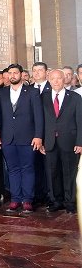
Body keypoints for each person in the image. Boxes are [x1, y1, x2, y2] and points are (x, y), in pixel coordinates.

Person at [0, 64, 44, 212]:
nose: (12, 75)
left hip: (27, 137)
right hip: (7, 138)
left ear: (21, 74)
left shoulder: (32, 92)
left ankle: (27, 200)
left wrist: (38, 136)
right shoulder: (1, 93)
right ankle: (15, 199)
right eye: (10, 73)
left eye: (15, 73)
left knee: (28, 168)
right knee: (12, 169)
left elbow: (39, 116)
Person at [41, 69, 82, 214]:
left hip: (70, 141)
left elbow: (80, 121)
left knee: (69, 172)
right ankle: (55, 201)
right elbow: (40, 121)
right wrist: (41, 140)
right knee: (52, 172)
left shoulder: (75, 97)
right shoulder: (43, 97)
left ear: (64, 79)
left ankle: (70, 201)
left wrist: (80, 142)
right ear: (49, 80)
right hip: (49, 141)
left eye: (59, 78)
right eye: (53, 79)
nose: (56, 81)